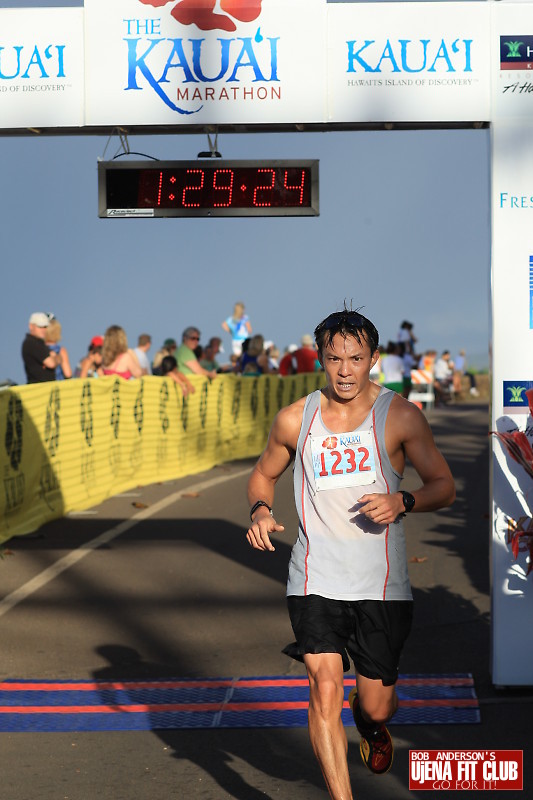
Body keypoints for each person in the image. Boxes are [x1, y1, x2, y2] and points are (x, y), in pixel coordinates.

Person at [246, 308, 455, 799]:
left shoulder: (400, 416)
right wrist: (259, 510)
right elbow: (263, 474)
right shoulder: (296, 419)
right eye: (335, 358)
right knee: (323, 687)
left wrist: (403, 500)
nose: (345, 371)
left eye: (356, 359)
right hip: (315, 577)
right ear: (321, 358)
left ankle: (373, 723)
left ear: (373, 360)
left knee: (377, 704)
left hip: (380, 583)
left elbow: (443, 486)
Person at [21, 312, 59, 383]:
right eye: (40, 327)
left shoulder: (39, 343)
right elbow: (51, 363)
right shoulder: (31, 343)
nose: (43, 330)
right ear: (31, 326)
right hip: (39, 389)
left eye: (45, 327)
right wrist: (57, 358)